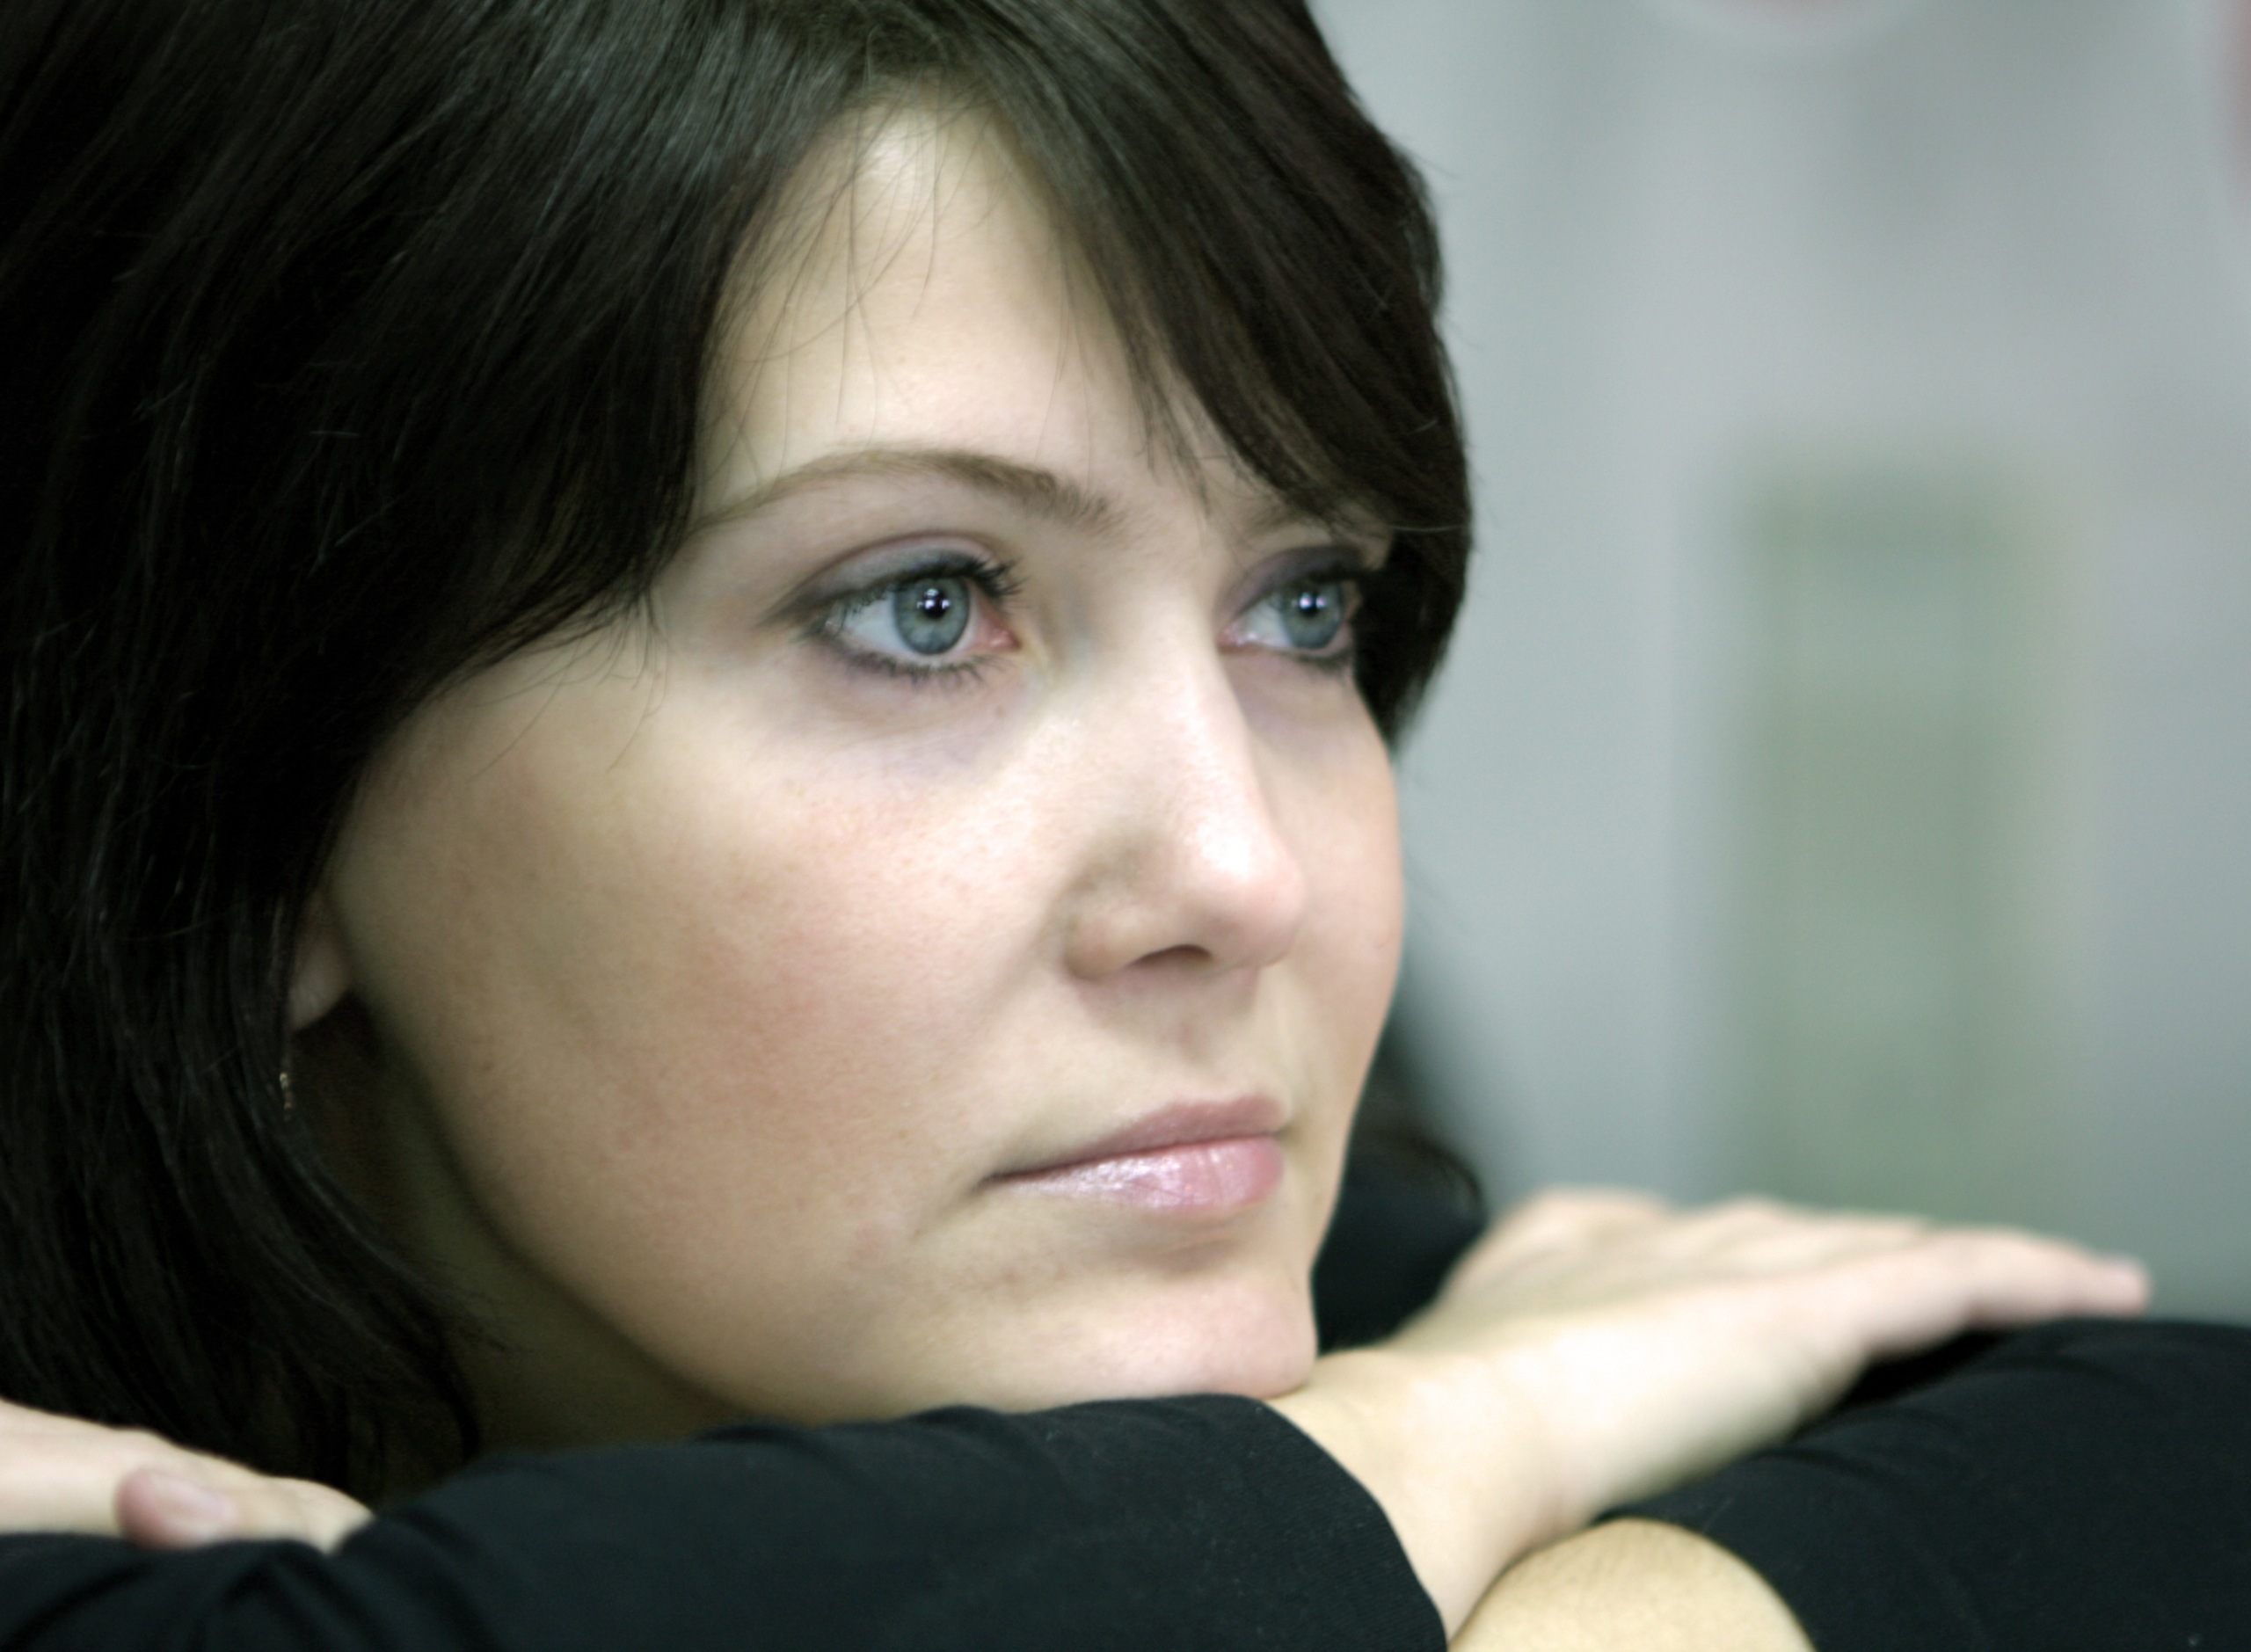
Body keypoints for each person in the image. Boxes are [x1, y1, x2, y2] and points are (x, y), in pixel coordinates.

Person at [0, 2, 2231, 1648]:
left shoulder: (1288, 1270)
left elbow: (2161, 1445)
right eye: (923, 606)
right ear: (252, 786)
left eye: (1303, 606)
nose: (1247, 877)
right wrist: (1443, 1449)